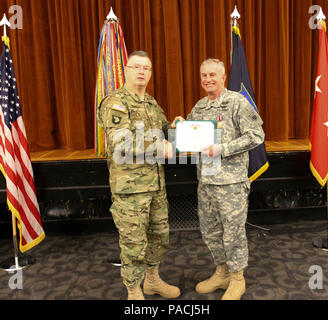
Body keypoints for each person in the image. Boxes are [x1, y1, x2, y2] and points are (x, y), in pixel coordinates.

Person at [97, 50, 180, 300]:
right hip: (130, 189)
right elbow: (120, 141)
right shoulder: (116, 102)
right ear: (127, 70)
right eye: (137, 67)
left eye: (146, 68)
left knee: (159, 236)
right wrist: (158, 146)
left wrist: (175, 128)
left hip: (156, 185)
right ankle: (133, 291)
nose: (142, 71)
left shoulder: (152, 104)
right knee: (134, 244)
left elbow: (163, 130)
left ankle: (152, 281)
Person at [186, 58, 265, 300]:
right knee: (210, 231)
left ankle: (237, 278)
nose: (207, 79)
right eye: (203, 75)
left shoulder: (237, 102)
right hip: (207, 182)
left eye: (212, 75)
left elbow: (257, 135)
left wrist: (224, 148)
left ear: (222, 77)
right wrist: (180, 126)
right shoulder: (199, 107)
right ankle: (222, 272)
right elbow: (189, 134)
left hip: (231, 183)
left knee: (233, 233)